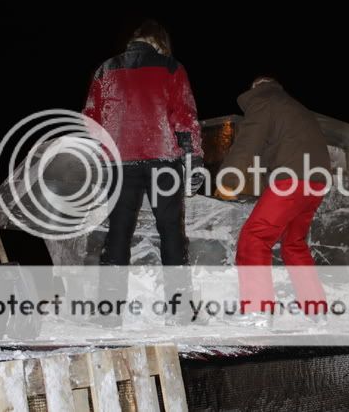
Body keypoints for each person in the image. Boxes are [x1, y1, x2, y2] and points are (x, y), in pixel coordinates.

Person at [83, 20, 203, 326]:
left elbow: (91, 120)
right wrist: (195, 160)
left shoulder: (105, 69)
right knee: (171, 233)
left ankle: (108, 314)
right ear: (159, 42)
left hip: (119, 161)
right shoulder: (171, 67)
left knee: (118, 233)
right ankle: (180, 311)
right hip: (163, 159)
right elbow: (185, 118)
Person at [216, 77, 331, 321]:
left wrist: (229, 179)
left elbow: (248, 143)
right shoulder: (296, 107)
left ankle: (257, 310)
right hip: (317, 183)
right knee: (294, 244)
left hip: (292, 181)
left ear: (255, 87)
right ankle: (317, 310)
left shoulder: (264, 100)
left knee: (254, 238)